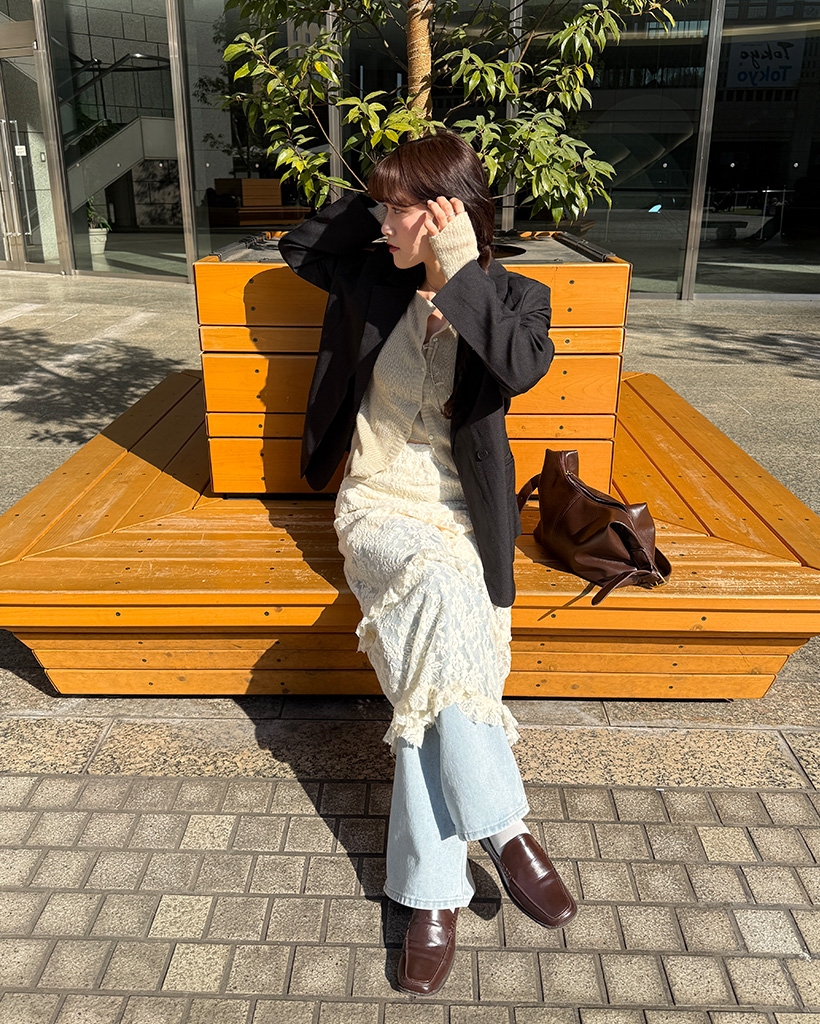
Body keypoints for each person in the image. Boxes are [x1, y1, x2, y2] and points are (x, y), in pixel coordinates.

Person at [279, 131, 577, 997]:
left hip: (462, 512)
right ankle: (506, 827)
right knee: (445, 600)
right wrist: (395, 205)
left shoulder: (516, 297)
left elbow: (519, 366)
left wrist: (458, 267)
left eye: (398, 207)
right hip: (379, 502)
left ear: (450, 214)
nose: (382, 221)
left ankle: (432, 896)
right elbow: (303, 242)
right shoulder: (370, 275)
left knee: (431, 658)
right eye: (380, 205)